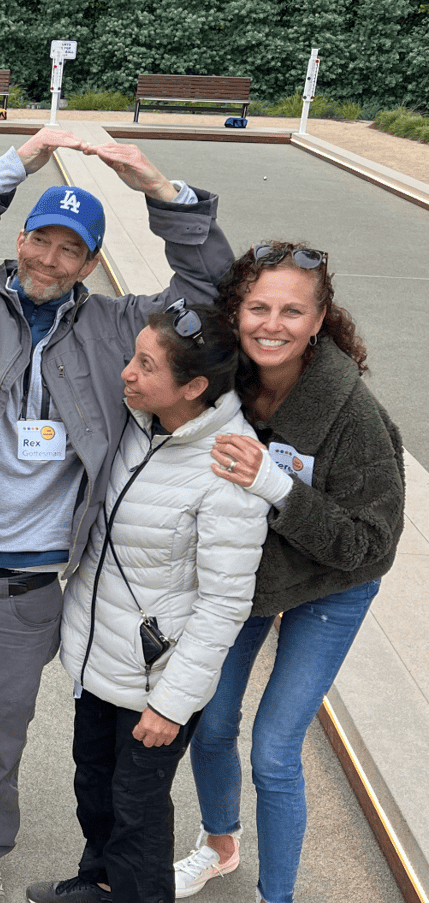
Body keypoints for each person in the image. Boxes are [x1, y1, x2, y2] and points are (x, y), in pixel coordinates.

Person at [0, 127, 235, 903]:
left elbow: (214, 296)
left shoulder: (116, 329)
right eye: (41, 240)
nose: (48, 260)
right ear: (21, 237)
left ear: (91, 263)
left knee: (0, 739)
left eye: (69, 250)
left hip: (28, 588)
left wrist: (157, 185)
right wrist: (17, 163)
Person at [172, 242, 404, 903]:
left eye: (292, 310)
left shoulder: (351, 413)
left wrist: (279, 487)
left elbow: (370, 541)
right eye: (258, 307)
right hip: (257, 575)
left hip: (336, 581)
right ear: (237, 311)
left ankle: (277, 896)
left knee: (275, 750)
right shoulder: (224, 377)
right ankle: (219, 845)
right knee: (210, 719)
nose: (272, 324)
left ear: (320, 316)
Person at [25, 303, 269, 903]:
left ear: (193, 387)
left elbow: (223, 606)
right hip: (99, 657)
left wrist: (172, 704)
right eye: (133, 356)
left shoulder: (227, 469)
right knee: (95, 787)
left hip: (156, 681)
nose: (127, 372)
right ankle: (98, 882)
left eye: (146, 365)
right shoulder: (141, 422)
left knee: (136, 812)